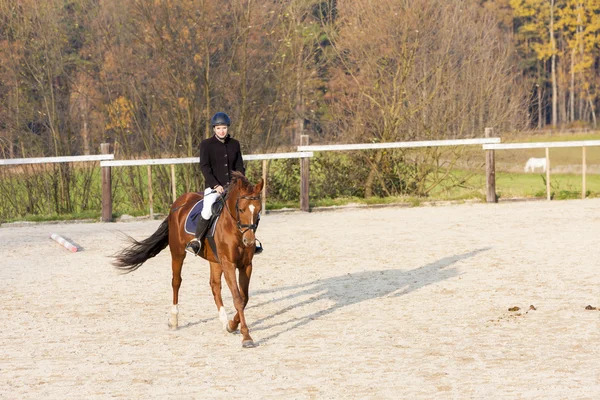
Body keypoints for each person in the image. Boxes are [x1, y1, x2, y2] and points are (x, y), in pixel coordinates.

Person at [185, 111, 262, 256]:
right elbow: (205, 167)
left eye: (224, 128)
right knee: (207, 209)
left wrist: (239, 184)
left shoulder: (235, 144)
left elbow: (239, 166)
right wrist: (215, 185)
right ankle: (197, 241)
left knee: (252, 211)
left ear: (228, 128)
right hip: (214, 188)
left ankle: (252, 240)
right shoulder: (206, 145)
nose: (222, 131)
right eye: (219, 128)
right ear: (214, 129)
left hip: (234, 188)